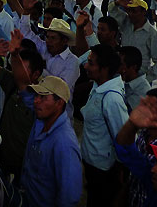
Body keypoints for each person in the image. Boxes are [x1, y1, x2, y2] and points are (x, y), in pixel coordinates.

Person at [19, 75, 82, 207]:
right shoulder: (41, 120)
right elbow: (23, 89)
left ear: (59, 103)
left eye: (42, 97)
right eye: (36, 96)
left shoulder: (64, 143)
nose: (36, 101)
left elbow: (69, 197)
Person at [81, 44, 129, 207]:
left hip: (103, 170)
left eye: (91, 63)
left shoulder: (112, 99)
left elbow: (123, 136)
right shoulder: (98, 86)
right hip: (92, 164)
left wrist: (120, 170)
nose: (86, 66)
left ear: (105, 69)